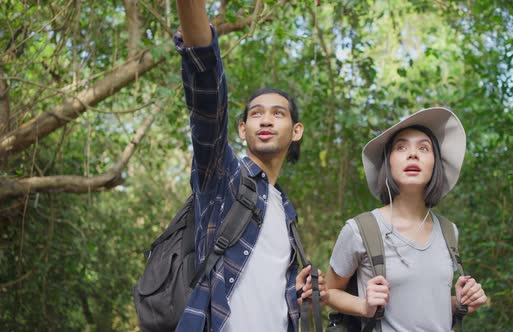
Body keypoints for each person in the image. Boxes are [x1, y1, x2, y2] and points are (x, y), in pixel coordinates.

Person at [174, 1, 326, 331]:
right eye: (256, 114)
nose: (266, 120)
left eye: (278, 113)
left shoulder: (287, 213)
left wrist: (298, 293)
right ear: (242, 129)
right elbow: (206, 94)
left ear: (296, 131)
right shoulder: (224, 177)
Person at [326, 107, 487, 331]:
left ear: (435, 164)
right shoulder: (360, 230)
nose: (413, 154)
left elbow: (426, 307)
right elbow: (327, 292)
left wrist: (460, 303)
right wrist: (364, 306)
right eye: (401, 147)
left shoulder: (449, 231)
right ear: (388, 163)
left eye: (424, 148)